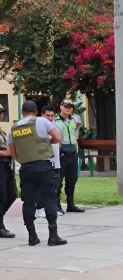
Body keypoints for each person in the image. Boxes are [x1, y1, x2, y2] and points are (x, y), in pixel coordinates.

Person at [7, 100, 66, 246]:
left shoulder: (12, 129)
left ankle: (32, 236)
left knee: (28, 202)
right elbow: (58, 138)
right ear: (36, 112)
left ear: (22, 112)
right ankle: (53, 236)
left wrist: (25, 160)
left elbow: (13, 153)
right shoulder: (41, 121)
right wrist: (46, 142)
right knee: (50, 199)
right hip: (44, 166)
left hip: (26, 168)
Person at [55, 99, 84, 214]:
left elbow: (74, 135)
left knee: (72, 180)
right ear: (61, 106)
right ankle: (57, 205)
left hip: (72, 152)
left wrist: (76, 148)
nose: (68, 108)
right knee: (59, 180)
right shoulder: (55, 121)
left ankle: (70, 204)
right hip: (62, 153)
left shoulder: (73, 120)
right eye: (66, 106)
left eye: (70, 106)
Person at [36, 106, 63, 218]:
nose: (50, 118)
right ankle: (39, 208)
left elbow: (59, 142)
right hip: (42, 161)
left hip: (55, 160)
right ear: (42, 115)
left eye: (52, 115)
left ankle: (52, 208)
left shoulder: (56, 128)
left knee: (54, 186)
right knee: (41, 186)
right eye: (48, 115)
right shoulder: (37, 127)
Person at [0, 104, 15, 238]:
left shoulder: (2, 131)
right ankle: (0, 227)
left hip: (7, 166)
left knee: (12, 194)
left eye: (1, 112)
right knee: (2, 196)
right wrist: (7, 153)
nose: (1, 114)